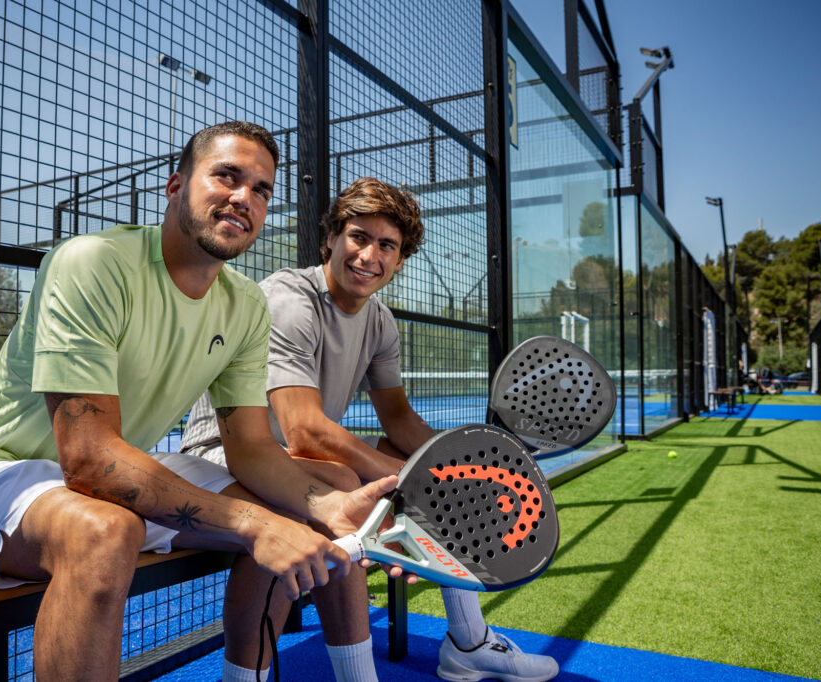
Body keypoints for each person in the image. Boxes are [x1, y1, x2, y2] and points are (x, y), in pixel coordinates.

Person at [0, 122, 398, 682]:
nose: (243, 197)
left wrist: (326, 507)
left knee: (309, 498)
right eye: (226, 175)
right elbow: (90, 458)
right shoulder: (92, 261)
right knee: (105, 532)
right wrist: (253, 524)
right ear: (176, 186)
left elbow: (251, 449)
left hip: (111, 469)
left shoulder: (245, 304)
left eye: (261, 189)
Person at [181, 177, 560, 682]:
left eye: (387, 245)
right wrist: (422, 479)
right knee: (352, 487)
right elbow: (305, 432)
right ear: (333, 239)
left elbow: (399, 420)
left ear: (399, 261)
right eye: (359, 236)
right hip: (222, 458)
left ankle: (468, 643)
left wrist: (471, 471)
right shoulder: (288, 300)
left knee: (408, 474)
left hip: (294, 467)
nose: (369, 255)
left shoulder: (379, 321)